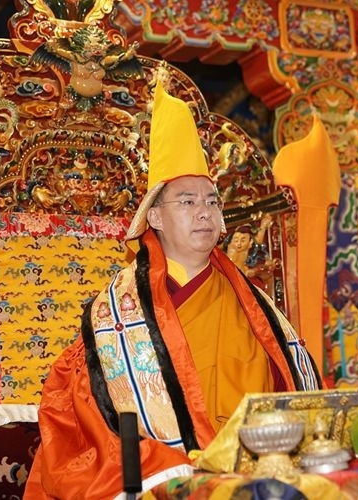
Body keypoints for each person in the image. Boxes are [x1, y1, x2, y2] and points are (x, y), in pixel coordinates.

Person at [23, 80, 322, 498]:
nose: (204, 212)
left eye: (212, 202)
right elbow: (86, 423)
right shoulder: (118, 320)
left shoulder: (255, 309)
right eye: (187, 201)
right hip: (162, 478)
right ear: (155, 218)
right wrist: (177, 470)